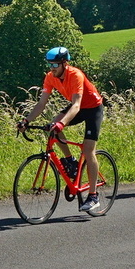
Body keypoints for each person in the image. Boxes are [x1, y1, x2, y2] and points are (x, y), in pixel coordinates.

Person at [18, 46, 107, 213]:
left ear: (64, 63)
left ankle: (93, 196)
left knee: (88, 150)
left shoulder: (75, 75)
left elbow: (76, 105)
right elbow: (41, 104)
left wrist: (62, 124)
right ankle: (70, 161)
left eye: (55, 65)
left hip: (93, 108)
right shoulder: (50, 77)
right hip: (78, 107)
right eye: (49, 65)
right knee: (53, 125)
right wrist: (26, 120)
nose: (52, 69)